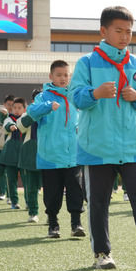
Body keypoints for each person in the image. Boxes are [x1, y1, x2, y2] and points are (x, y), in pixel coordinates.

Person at [69, 5, 136, 271]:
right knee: (98, 201)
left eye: (129, 31)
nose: (124, 36)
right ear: (103, 31)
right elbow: (76, 97)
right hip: (96, 146)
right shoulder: (86, 63)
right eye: (119, 31)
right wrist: (95, 93)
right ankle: (102, 253)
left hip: (133, 144)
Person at [28, 62, 86, 235]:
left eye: (66, 75)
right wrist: (47, 106)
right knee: (52, 193)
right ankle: (53, 224)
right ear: (51, 76)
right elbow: (32, 111)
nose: (63, 78)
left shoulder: (75, 96)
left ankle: (76, 224)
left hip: (73, 155)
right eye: (59, 75)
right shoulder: (43, 96)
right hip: (50, 155)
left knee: (76, 190)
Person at [16, 90, 41, 224]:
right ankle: (33, 212)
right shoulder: (27, 114)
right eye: (37, 99)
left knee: (51, 187)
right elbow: (20, 126)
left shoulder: (53, 112)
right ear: (32, 101)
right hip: (30, 155)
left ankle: (51, 215)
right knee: (31, 187)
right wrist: (35, 112)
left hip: (48, 154)